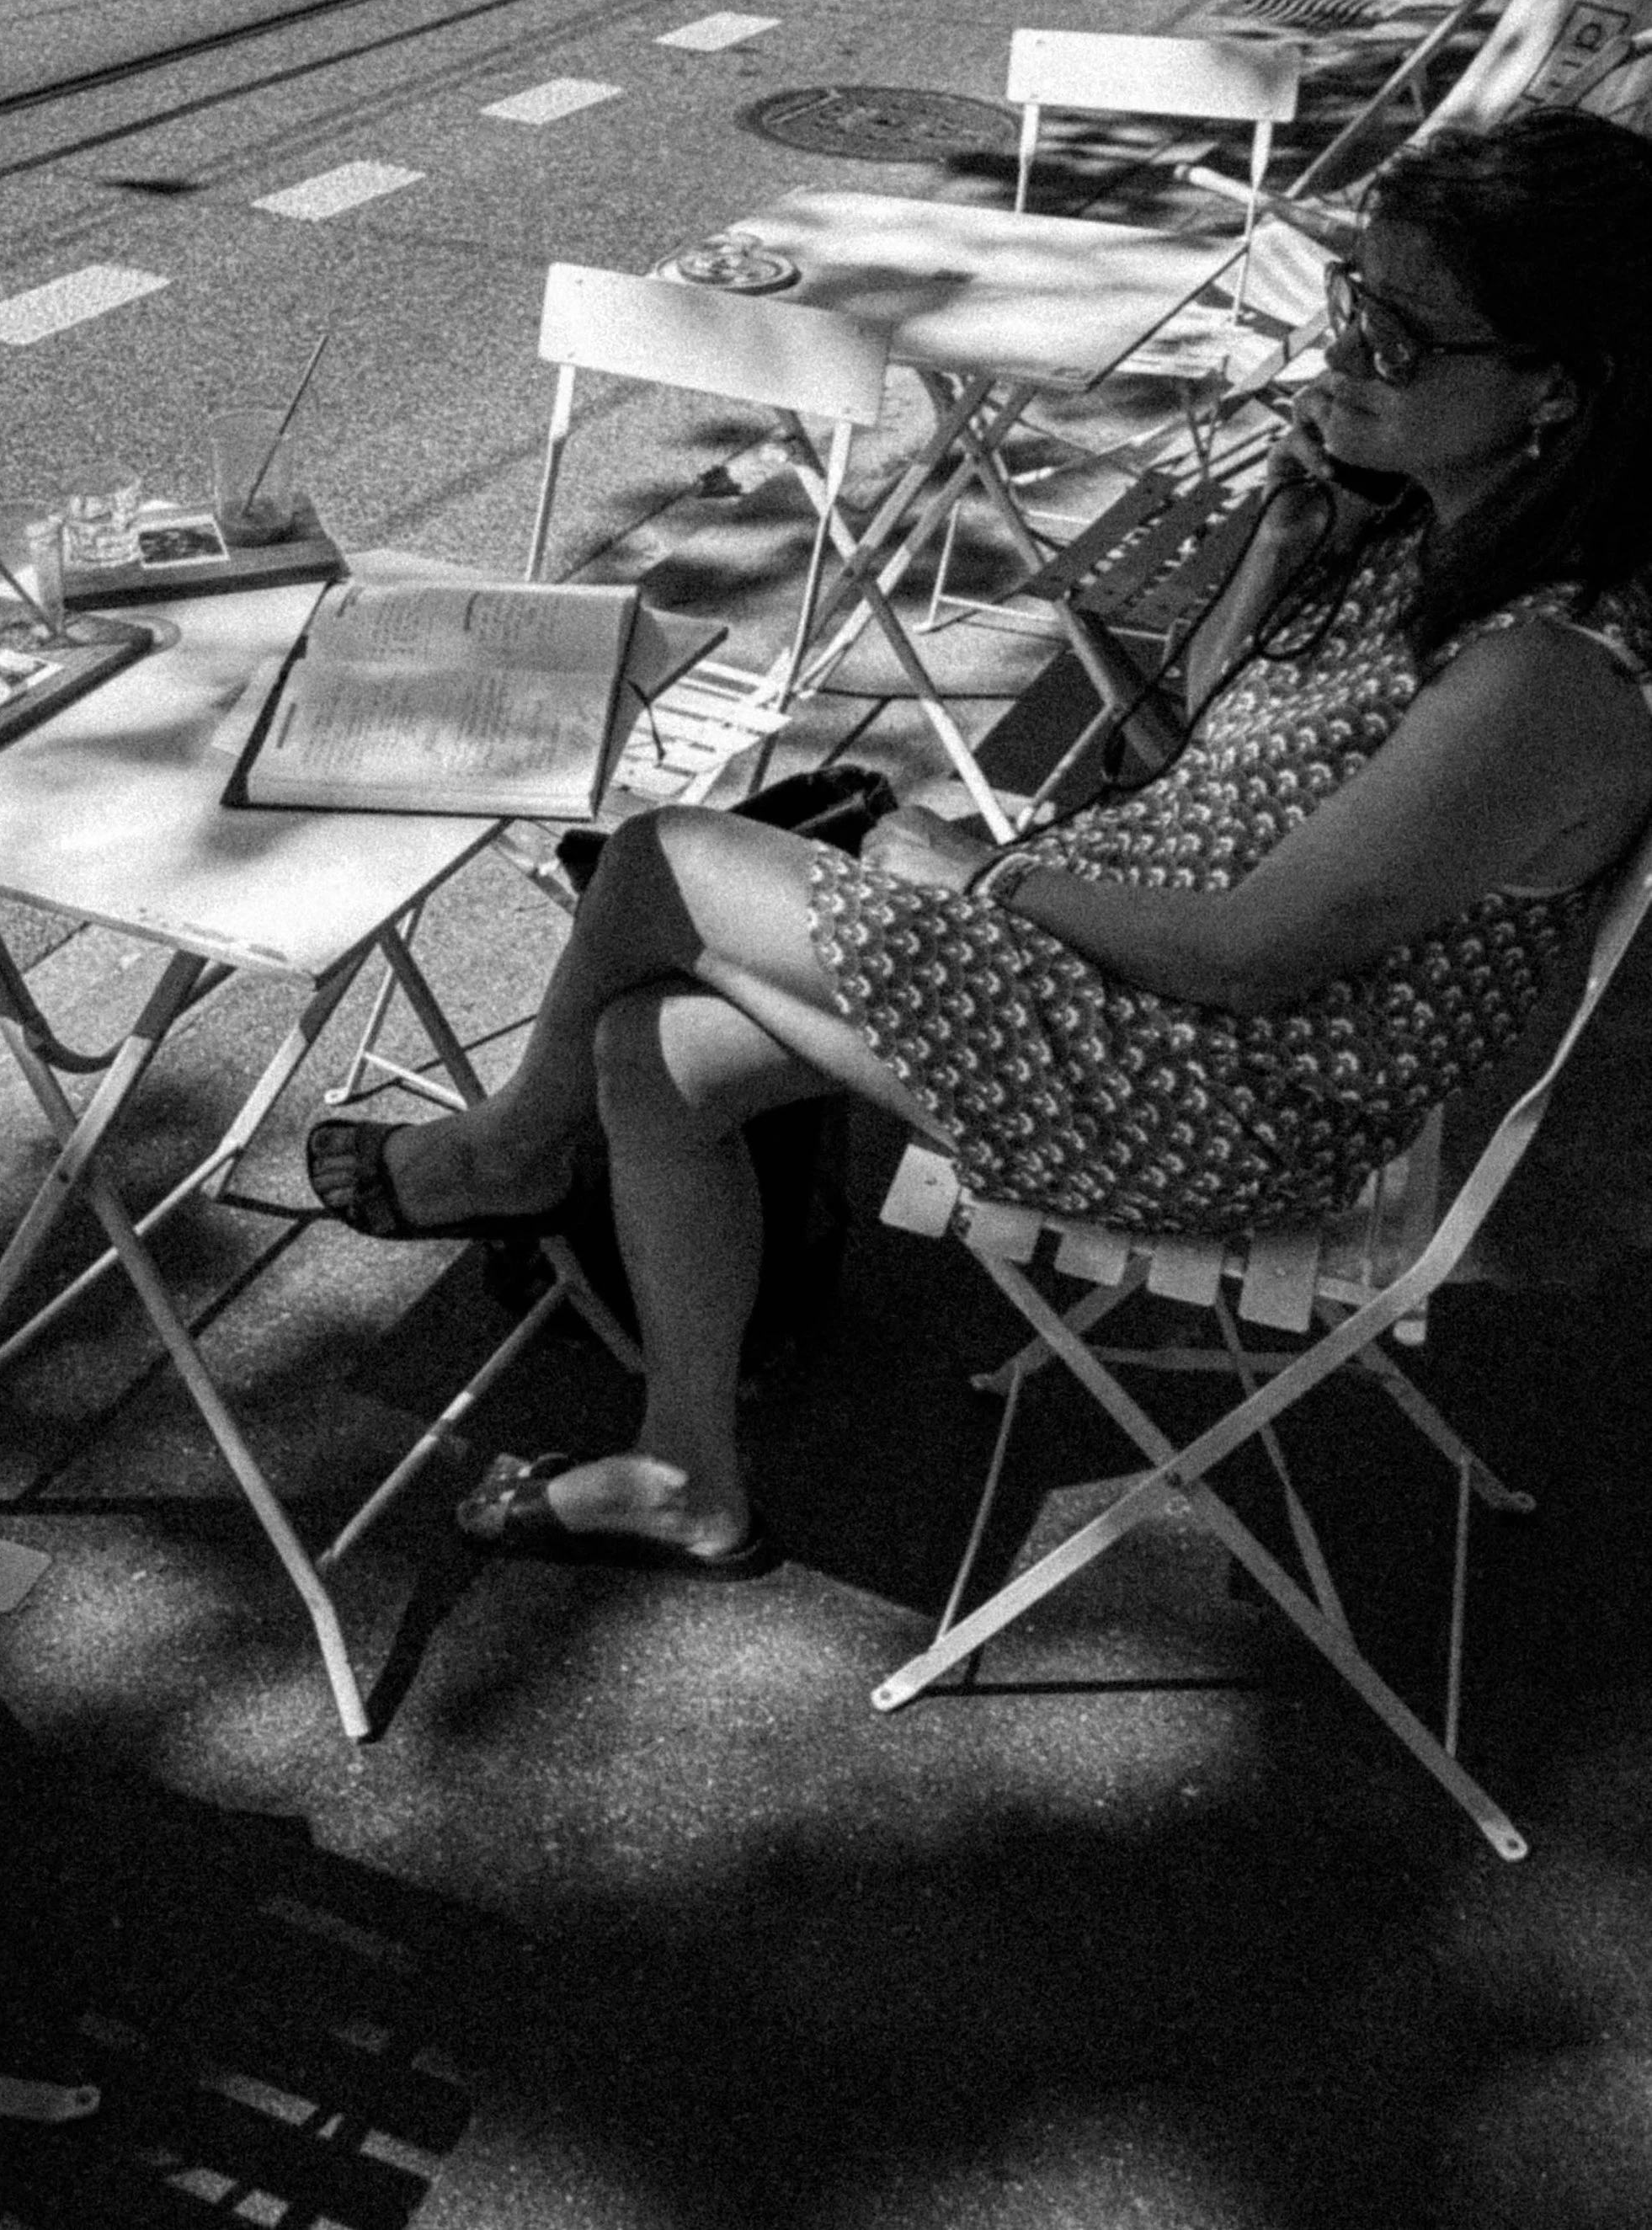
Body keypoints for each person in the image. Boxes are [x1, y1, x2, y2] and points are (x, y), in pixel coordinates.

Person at [309, 109, 1652, 1575]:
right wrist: (1287, 534)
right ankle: (687, 1473)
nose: (1342, 355)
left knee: (664, 863)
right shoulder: (1442, 527)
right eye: (1350, 302)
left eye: (1395, 338)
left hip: (1215, 1091)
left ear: (1558, 389)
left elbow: (1251, 957)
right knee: (649, 1052)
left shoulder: (1548, 671)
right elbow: (1213, 727)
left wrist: (989, 873)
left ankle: (509, 1152)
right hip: (1137, 993)